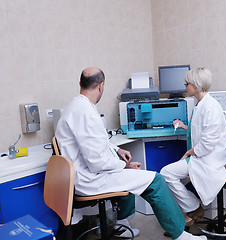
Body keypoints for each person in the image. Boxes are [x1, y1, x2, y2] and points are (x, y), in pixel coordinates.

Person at [55, 67, 206, 240]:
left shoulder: (75, 106)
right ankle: (181, 235)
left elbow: (97, 142)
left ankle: (122, 226)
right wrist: (124, 165)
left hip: (82, 175)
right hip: (91, 180)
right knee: (156, 181)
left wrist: (117, 150)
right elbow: (97, 161)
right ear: (101, 86)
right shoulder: (86, 112)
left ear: (80, 83)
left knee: (131, 177)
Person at [160, 68, 226, 227]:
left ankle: (193, 208)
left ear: (197, 85)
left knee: (166, 173)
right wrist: (185, 127)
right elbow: (202, 132)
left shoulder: (210, 107)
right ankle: (190, 212)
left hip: (209, 159)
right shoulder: (201, 104)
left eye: (187, 83)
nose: (185, 87)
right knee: (174, 177)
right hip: (203, 155)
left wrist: (188, 152)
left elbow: (207, 143)